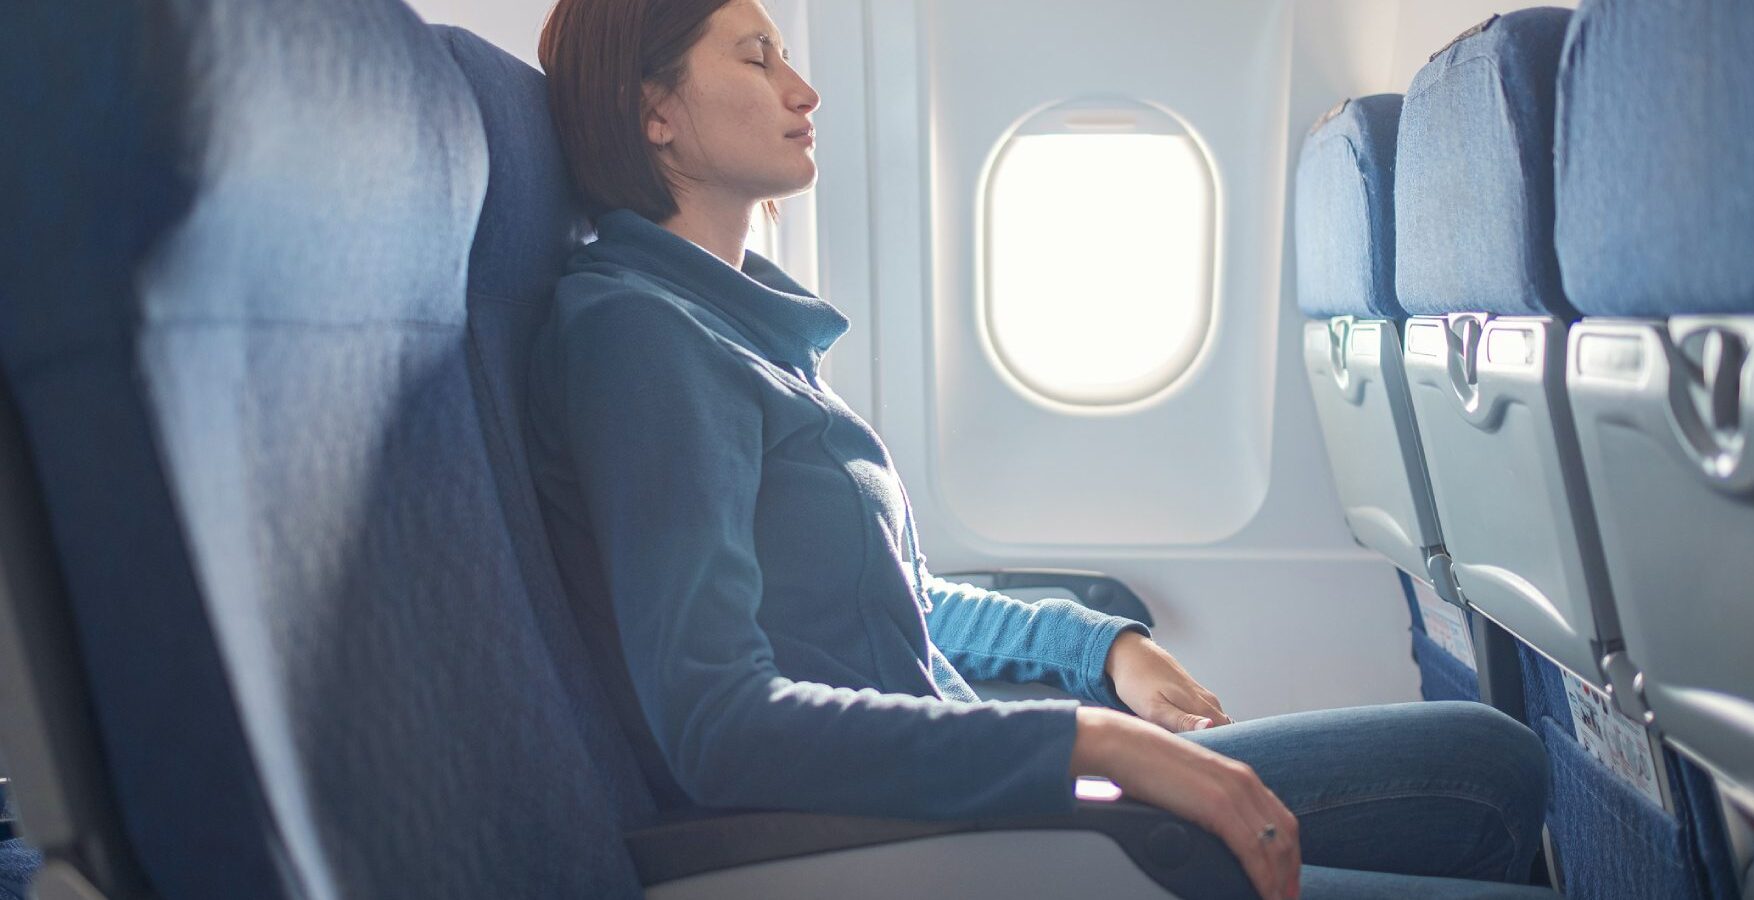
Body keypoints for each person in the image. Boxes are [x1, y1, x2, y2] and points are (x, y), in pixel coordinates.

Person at [528, 1, 1555, 897]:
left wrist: (1104, 650)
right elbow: (721, 724)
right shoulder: (643, 339)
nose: (803, 87)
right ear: (653, 108)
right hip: (916, 840)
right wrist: (1090, 738)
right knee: (1477, 793)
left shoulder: (742, 327)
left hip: (984, 798)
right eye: (755, 58)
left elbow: (906, 603)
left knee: (1493, 758)